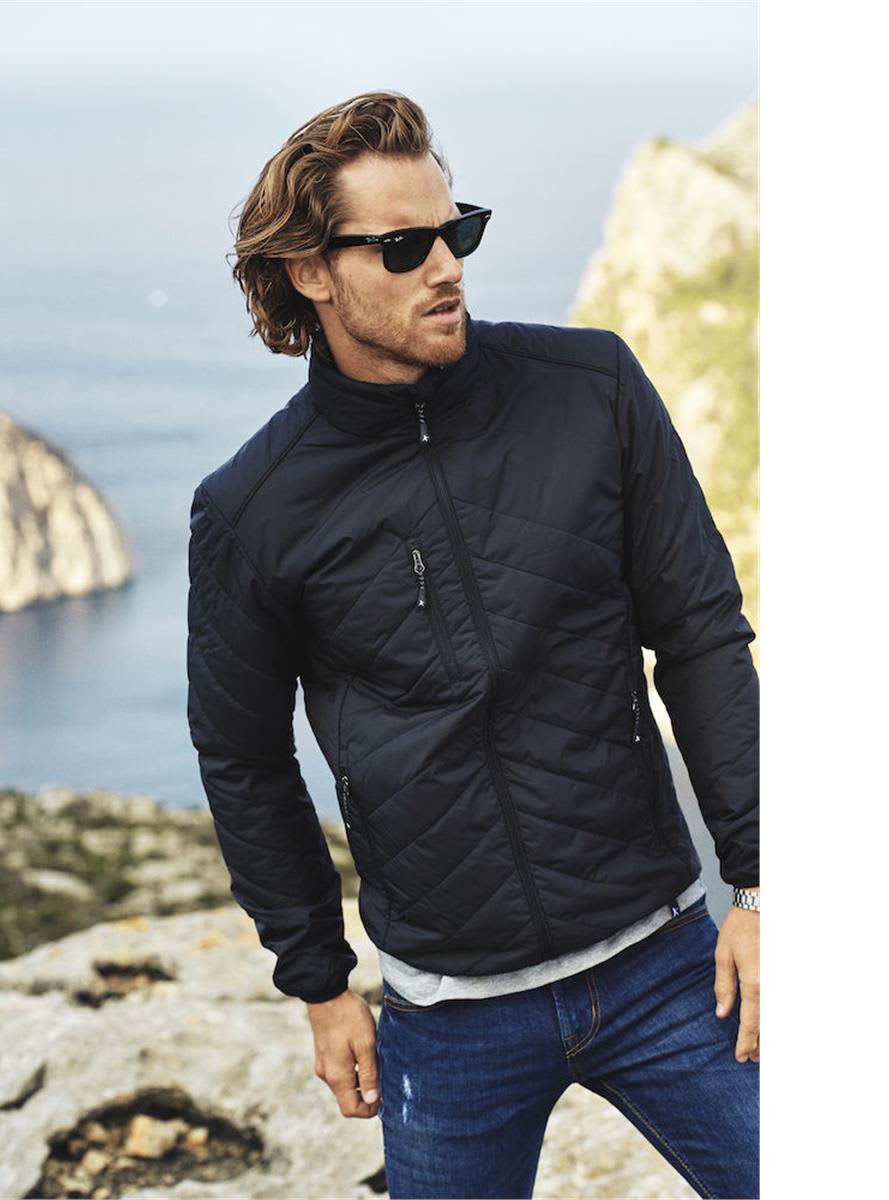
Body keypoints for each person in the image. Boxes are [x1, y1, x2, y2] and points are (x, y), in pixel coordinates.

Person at [186, 90, 759, 1200]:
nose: (445, 266)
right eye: (403, 248)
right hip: (448, 1023)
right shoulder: (253, 509)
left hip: (669, 966)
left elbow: (699, 632)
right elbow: (244, 759)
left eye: (457, 231)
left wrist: (763, 883)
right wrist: (321, 984)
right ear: (312, 272)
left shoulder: (592, 389)